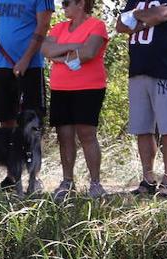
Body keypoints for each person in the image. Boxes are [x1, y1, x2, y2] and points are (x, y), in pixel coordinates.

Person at [116, 0, 167, 197]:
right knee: (143, 128)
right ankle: (148, 180)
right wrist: (147, 17)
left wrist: (137, 16)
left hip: (165, 68)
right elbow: (120, 25)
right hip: (138, 68)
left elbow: (162, 14)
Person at [42, 0, 110, 200]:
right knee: (64, 136)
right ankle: (67, 182)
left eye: (66, 3)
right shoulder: (59, 27)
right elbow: (45, 51)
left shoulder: (97, 25)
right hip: (60, 87)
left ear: (81, 3)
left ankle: (95, 183)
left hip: (89, 87)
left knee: (87, 135)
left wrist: (60, 52)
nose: (62, 7)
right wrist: (73, 48)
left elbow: (89, 52)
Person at [0, 0, 54, 192]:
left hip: (30, 67)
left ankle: (34, 179)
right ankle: (13, 177)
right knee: (6, 122)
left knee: (32, 125)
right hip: (2, 66)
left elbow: (43, 26)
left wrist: (25, 60)